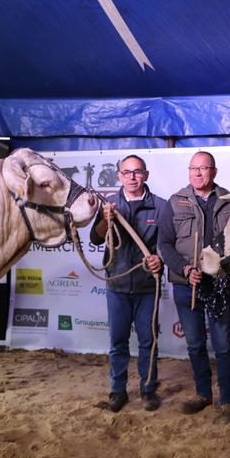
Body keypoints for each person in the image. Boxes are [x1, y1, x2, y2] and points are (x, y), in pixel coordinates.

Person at [158, 151, 230, 424]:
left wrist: (221, 269)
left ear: (214, 172)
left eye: (203, 168)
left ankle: (227, 401)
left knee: (223, 345)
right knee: (194, 344)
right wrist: (185, 269)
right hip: (186, 284)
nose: (197, 173)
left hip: (218, 283)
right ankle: (203, 394)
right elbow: (165, 245)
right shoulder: (175, 202)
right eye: (193, 168)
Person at [90, 155, 166, 412]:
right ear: (119, 176)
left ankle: (148, 390)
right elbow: (97, 238)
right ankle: (117, 391)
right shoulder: (109, 204)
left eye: (137, 172)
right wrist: (105, 219)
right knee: (118, 342)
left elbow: (167, 245)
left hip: (147, 287)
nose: (132, 177)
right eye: (127, 172)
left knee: (148, 341)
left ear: (145, 175)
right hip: (118, 286)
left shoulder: (161, 206)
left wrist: (160, 261)